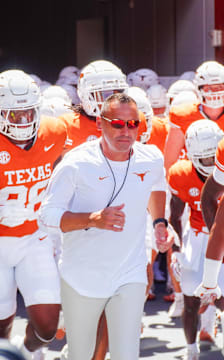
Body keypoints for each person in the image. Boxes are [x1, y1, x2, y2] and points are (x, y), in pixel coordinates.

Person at [39, 92, 172, 360]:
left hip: (130, 273)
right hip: (81, 277)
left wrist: (160, 223)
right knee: (81, 355)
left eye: (133, 124)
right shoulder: (76, 163)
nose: (126, 131)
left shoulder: (152, 157)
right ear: (100, 123)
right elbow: (46, 216)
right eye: (117, 124)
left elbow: (156, 187)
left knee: (127, 355)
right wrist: (92, 219)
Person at [0, 69, 67, 359]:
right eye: (14, 115)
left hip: (35, 236)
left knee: (47, 327)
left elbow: (64, 174)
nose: (23, 121)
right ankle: (3, 353)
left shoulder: (54, 132)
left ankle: (22, 352)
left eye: (28, 113)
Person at [168, 120, 224, 359]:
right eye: (206, 160)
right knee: (190, 298)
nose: (213, 165)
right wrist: (177, 252)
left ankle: (211, 327)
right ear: (191, 155)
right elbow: (175, 216)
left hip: (221, 237)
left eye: (215, 159)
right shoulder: (181, 174)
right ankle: (191, 349)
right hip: (197, 237)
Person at [164, 61, 224, 174]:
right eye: (209, 88)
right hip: (194, 176)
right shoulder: (183, 115)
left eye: (219, 87)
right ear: (199, 89)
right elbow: (170, 163)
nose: (215, 93)